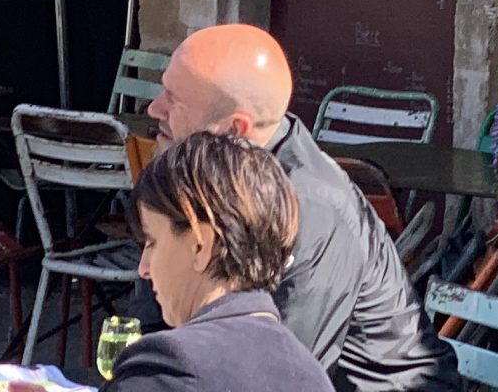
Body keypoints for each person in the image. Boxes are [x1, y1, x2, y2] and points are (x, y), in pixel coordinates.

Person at [143, 26, 459, 392]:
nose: (154, 108)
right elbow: (152, 321)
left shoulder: (308, 209)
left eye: (173, 98)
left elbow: (279, 370)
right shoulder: (204, 177)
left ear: (234, 129)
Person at [115, 131, 334, 392]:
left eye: (152, 243)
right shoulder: (308, 371)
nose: (144, 268)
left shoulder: (170, 367)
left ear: (200, 245)